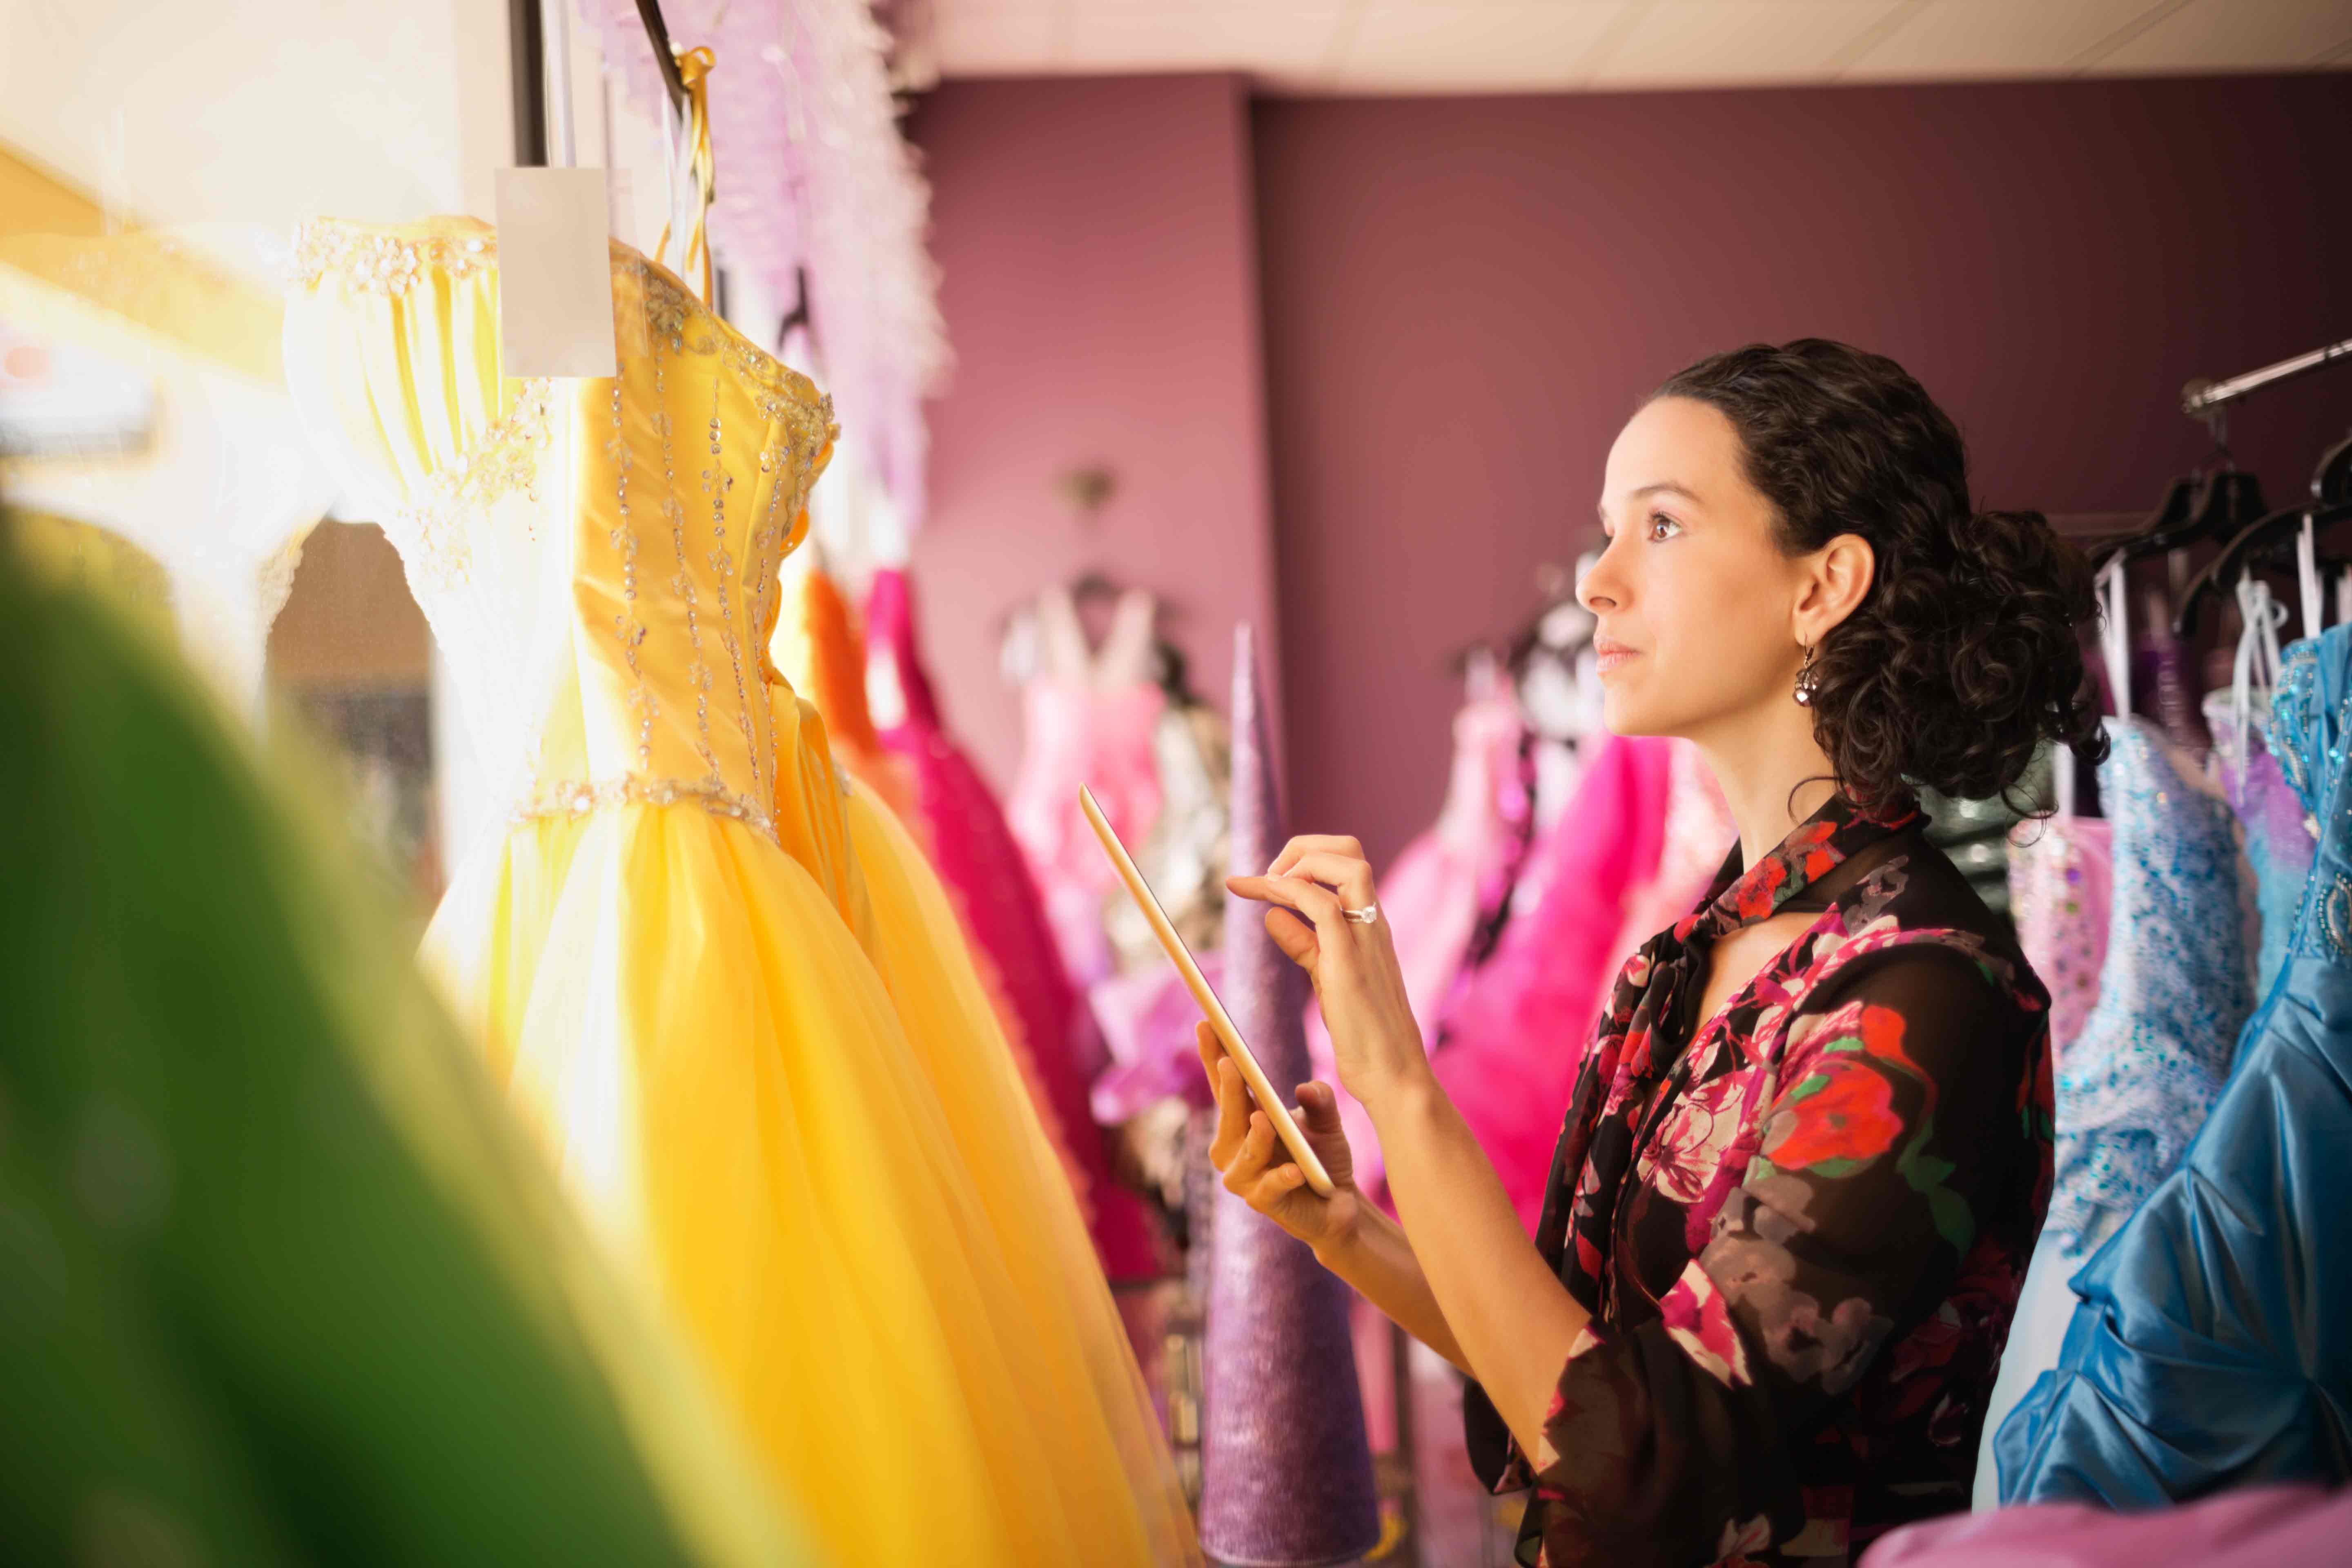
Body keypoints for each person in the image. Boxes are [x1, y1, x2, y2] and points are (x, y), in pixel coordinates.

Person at [1203, 340, 2102, 1568]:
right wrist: (1347, 1228)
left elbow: (1642, 1466)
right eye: (1606, 529)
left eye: (1662, 526)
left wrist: (1400, 1087)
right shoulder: (1694, 954)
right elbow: (1576, 1363)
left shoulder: (1919, 994)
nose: (1595, 583)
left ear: (1822, 585)